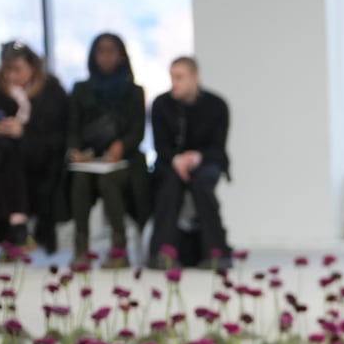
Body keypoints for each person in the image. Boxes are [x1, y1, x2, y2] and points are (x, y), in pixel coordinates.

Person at [0, 40, 69, 259]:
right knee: (4, 155)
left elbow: (58, 137)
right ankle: (18, 229)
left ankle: (16, 233)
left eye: (17, 70)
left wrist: (24, 132)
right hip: (0, 160)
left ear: (32, 67)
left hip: (41, 163)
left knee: (10, 155)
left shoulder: (51, 89)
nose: (11, 76)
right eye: (6, 70)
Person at [66, 32, 151, 268]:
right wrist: (75, 151)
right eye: (100, 51)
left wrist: (121, 145)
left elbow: (137, 132)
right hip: (90, 161)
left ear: (121, 56)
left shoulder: (134, 92)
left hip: (124, 163)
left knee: (109, 181)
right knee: (80, 178)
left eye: (111, 51)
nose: (105, 57)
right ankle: (81, 248)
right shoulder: (81, 90)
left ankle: (119, 248)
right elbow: (72, 129)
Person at [148, 55, 231, 269]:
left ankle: (216, 252)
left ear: (195, 77)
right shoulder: (161, 105)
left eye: (180, 77)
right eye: (172, 77)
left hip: (206, 161)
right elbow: (161, 146)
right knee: (169, 186)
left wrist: (197, 157)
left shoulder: (217, 106)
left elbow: (218, 146)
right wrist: (177, 160)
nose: (174, 83)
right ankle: (162, 252)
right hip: (170, 162)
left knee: (202, 183)